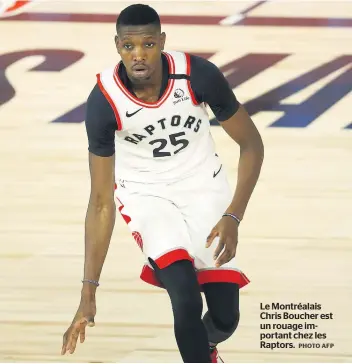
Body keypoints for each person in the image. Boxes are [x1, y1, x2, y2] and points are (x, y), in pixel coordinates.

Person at [61, 3, 264, 363]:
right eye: (128, 47)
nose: (138, 55)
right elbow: (100, 201)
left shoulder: (198, 75)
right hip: (145, 196)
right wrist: (88, 290)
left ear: (162, 42)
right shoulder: (104, 102)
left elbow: (252, 145)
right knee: (185, 296)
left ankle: (207, 351)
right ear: (117, 46)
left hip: (204, 186)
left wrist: (233, 216)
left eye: (148, 45)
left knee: (225, 318)